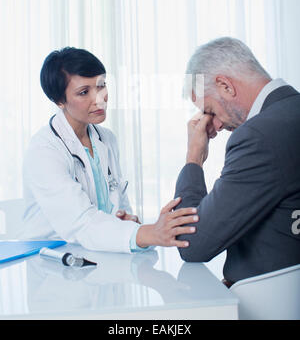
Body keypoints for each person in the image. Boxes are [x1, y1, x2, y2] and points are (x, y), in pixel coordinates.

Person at [21, 47, 198, 253]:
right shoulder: (44, 151)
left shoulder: (106, 139)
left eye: (101, 85)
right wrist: (147, 233)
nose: (100, 99)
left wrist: (126, 222)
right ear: (59, 101)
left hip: (97, 254)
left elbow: (118, 208)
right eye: (84, 92)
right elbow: (80, 223)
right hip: (52, 260)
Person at [174, 37, 300, 286]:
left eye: (209, 110)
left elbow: (192, 243)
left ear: (225, 86)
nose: (216, 126)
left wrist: (194, 158)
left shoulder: (259, 136)